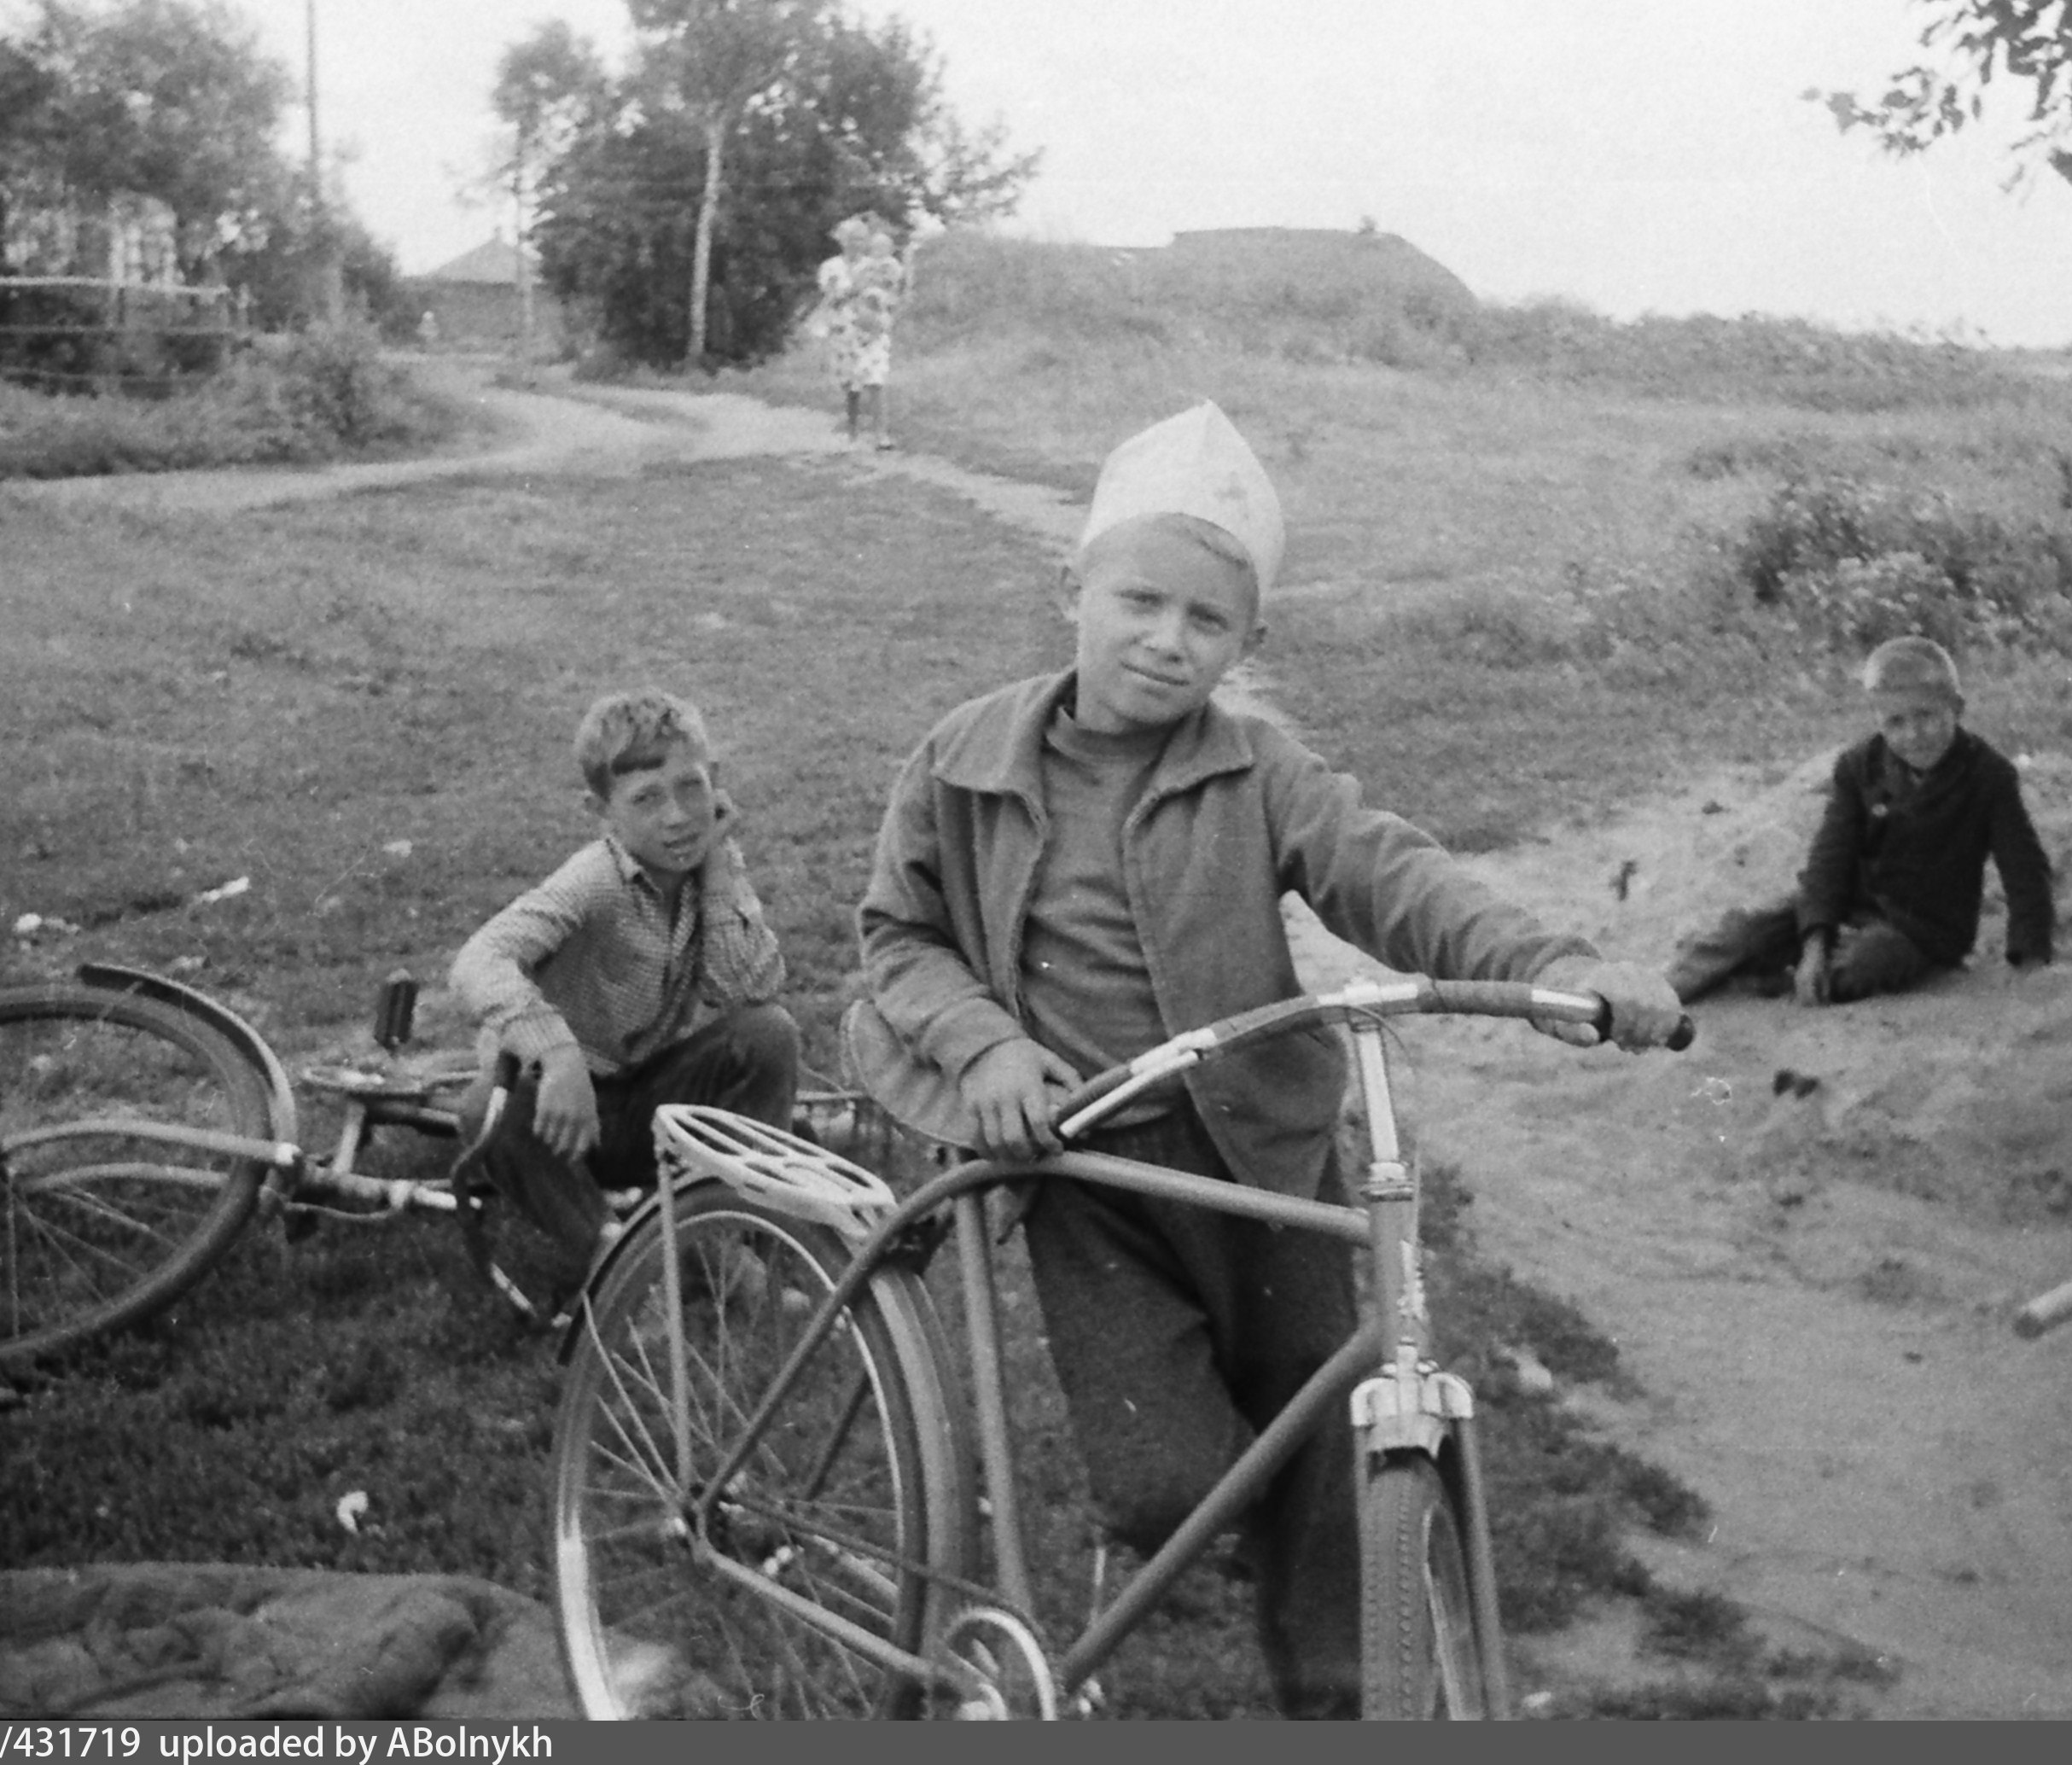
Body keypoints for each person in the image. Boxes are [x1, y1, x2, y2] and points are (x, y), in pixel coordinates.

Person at [847, 400, 1688, 1718]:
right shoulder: (963, 762)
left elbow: (1390, 872)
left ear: (1250, 642)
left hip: (1272, 1168)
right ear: (1073, 586)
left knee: (1328, 1465)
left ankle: (1339, 1703)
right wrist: (988, 1044)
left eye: (1208, 623)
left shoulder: (1258, 771)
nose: (1167, 643)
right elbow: (898, 937)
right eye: (1140, 601)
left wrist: (1554, 967)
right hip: (1093, 1179)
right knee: (1164, 1487)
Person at [448, 689, 800, 1291]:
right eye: (646, 799)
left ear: (714, 780)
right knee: (487, 1108)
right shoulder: (594, 881)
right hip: (564, 1118)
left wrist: (716, 872)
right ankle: (619, 1262)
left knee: (769, 1036)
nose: (677, 817)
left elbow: (752, 984)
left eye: (692, 788)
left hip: (642, 1097)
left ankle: (715, 1240)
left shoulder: (709, 864)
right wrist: (556, 1053)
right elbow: (478, 959)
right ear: (601, 809)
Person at [1669, 635, 2054, 1007]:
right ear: (1879, 720)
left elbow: (2024, 869)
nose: (1914, 735)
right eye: (1896, 723)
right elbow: (1830, 858)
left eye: (1927, 716)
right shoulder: (1859, 767)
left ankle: (1784, 979)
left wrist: (2030, 954)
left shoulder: (1988, 776)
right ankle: (1656, 993)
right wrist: (1816, 941)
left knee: (1863, 966)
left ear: (1957, 707)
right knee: (1745, 933)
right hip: (1851, 902)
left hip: (1923, 927)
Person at [817, 213, 908, 451]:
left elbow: (892, 292)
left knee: (876, 380)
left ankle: (881, 435)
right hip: (844, 330)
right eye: (852, 239)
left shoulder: (877, 263)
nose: (857, 243)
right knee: (851, 384)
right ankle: (852, 430)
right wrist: (853, 289)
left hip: (873, 330)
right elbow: (831, 299)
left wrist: (886, 300)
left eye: (861, 239)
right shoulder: (831, 267)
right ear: (842, 240)